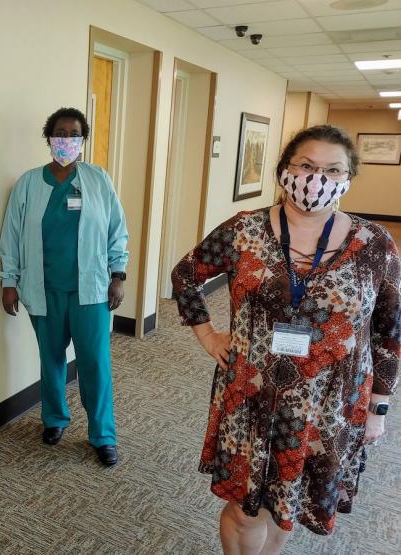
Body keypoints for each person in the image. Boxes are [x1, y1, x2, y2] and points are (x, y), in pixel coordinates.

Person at [171, 124, 399, 554]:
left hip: (330, 404)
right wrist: (207, 334)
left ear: (348, 179)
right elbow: (186, 275)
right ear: (284, 170)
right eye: (307, 166)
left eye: (333, 170)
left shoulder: (375, 245)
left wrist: (379, 407)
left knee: (285, 506)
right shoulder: (244, 231)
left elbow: (390, 329)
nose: (318, 179)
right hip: (253, 396)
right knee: (246, 510)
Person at [0, 107, 129, 466]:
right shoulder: (28, 183)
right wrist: (9, 281)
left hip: (91, 292)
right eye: (60, 133)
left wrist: (118, 274)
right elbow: (11, 235)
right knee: (51, 359)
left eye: (74, 134)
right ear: (49, 138)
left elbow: (116, 229)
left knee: (94, 364)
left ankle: (103, 434)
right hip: (44, 289)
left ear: (82, 140)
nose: (66, 140)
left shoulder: (98, 180)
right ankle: (54, 420)